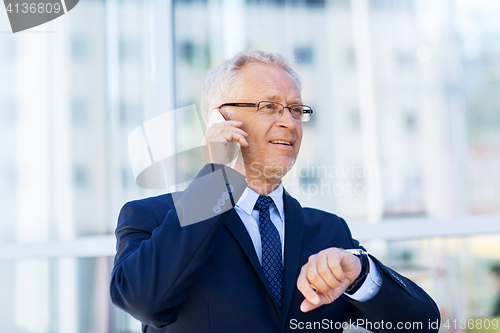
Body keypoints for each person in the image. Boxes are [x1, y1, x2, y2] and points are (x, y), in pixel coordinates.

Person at [110, 50, 440, 332]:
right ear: (220, 119)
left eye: (296, 109)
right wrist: (214, 178)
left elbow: (422, 323)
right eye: (270, 106)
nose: (290, 122)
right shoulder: (152, 217)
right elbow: (142, 300)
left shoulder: (329, 232)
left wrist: (359, 274)